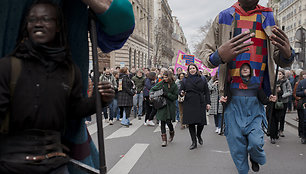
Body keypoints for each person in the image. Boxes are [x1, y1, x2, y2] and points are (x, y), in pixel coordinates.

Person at [0, 1, 115, 173]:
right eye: (33, 20)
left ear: (58, 26)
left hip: (55, 165)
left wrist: (99, 100)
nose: (38, 23)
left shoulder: (69, 71)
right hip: (13, 163)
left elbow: (73, 111)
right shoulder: (8, 67)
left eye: (46, 19)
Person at [200, 0, 294, 173]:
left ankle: (256, 156)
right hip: (232, 97)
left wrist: (288, 54)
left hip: (256, 97)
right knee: (236, 146)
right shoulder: (224, 17)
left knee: (256, 143)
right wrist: (218, 56)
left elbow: (280, 56)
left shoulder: (268, 17)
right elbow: (204, 54)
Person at [180, 64, 211, 150]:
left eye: (193, 68)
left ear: (196, 69)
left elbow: (207, 92)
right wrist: (181, 92)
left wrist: (208, 103)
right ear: (188, 70)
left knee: (201, 123)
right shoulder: (185, 80)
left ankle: (199, 135)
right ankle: (194, 142)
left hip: (200, 102)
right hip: (189, 102)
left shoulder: (202, 78)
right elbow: (181, 90)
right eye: (190, 69)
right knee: (191, 123)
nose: (192, 70)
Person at [150, 71, 178, 147]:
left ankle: (172, 132)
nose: (164, 78)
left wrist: (167, 94)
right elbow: (153, 89)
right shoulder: (161, 83)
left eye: (166, 77)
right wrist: (152, 96)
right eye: (164, 77)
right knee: (162, 122)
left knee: (169, 122)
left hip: (170, 106)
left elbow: (175, 97)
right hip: (161, 105)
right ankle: (164, 140)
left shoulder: (174, 85)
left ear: (169, 77)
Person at [293, 70, 306, 142]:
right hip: (303, 103)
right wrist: (304, 92)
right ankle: (303, 136)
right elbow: (296, 93)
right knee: (304, 120)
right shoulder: (301, 82)